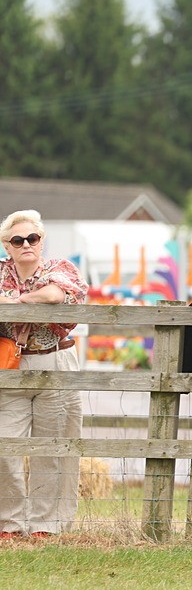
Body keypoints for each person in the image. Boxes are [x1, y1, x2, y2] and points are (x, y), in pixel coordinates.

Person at [0, 210, 87, 539]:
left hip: (55, 361)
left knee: (52, 447)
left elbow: (55, 294)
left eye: (32, 239)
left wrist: (16, 301)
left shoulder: (59, 268)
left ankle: (45, 526)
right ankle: (9, 523)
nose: (26, 245)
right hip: (11, 365)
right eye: (18, 240)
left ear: (41, 241)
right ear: (7, 246)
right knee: (5, 445)